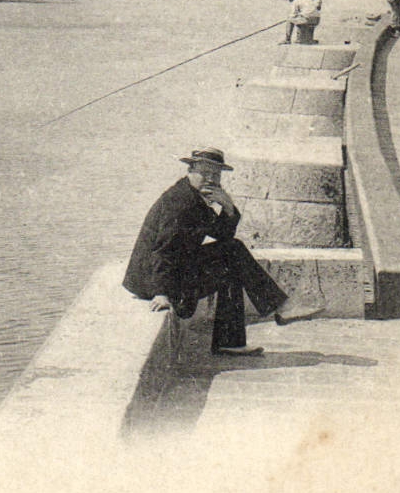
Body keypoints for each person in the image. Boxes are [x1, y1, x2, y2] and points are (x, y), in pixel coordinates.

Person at [123, 147, 319, 356]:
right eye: (205, 173)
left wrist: (227, 206)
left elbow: (221, 234)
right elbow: (163, 250)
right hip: (152, 281)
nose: (211, 179)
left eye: (216, 175)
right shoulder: (180, 202)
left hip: (170, 272)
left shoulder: (193, 196)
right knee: (233, 252)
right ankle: (281, 307)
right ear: (190, 170)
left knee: (232, 257)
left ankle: (231, 342)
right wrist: (161, 293)